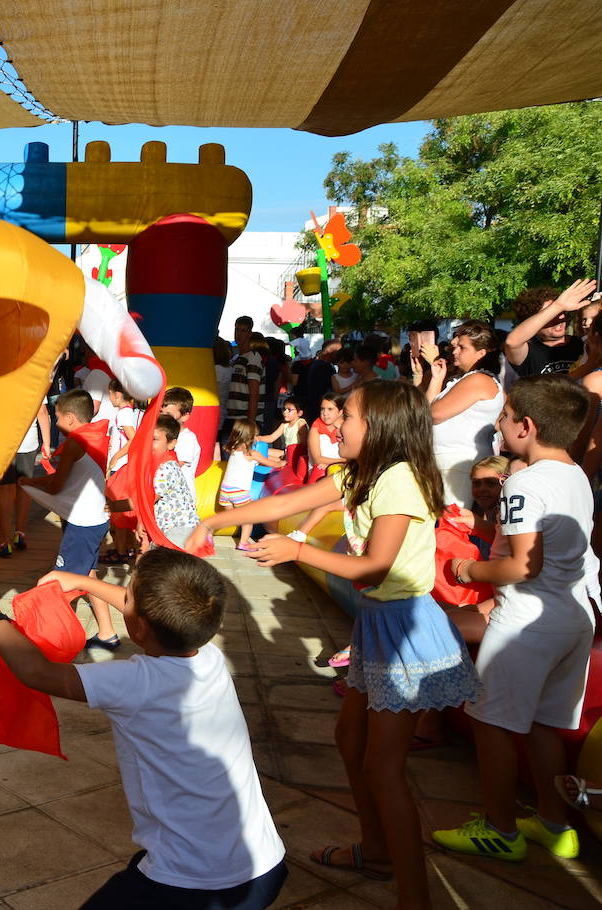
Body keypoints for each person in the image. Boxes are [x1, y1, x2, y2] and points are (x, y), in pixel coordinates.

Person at [185, 380, 480, 909]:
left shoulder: (400, 481)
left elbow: (374, 565)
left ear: (383, 426)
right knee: (350, 741)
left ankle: (415, 896)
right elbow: (293, 499)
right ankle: (376, 851)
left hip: (406, 631)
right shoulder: (362, 474)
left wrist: (296, 552)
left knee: (383, 768)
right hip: (378, 625)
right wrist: (212, 519)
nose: (334, 425)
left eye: (347, 416)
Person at [0, 549, 287, 908]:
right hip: (263, 863)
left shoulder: (135, 681)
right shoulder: (210, 658)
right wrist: (84, 583)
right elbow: (157, 613)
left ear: (140, 626)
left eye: (127, 595)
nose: (123, 598)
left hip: (193, 883)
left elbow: (38, 673)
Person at [434, 375, 595, 862]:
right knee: (545, 726)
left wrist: (467, 567)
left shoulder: (524, 482)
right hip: (574, 618)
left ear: (525, 426)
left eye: (502, 419)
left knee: (493, 725)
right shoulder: (578, 475)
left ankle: (500, 829)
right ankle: (554, 823)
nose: (496, 427)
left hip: (527, 620)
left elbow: (524, 565)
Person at [18, 390, 117, 649]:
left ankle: (55, 640)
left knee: (61, 582)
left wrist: (27, 481)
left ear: (71, 418)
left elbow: (56, 486)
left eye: (58, 416)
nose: (56, 421)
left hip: (83, 524)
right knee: (90, 577)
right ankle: (107, 633)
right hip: (96, 520)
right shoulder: (97, 436)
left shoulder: (74, 443)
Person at [426, 320, 504, 509]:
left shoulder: (479, 379)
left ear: (481, 353)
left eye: (462, 347)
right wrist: (436, 379)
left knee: (453, 523)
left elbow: (433, 414)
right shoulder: (466, 378)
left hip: (460, 462)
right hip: (448, 461)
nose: (455, 351)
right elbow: (426, 412)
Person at [0, 397, 50, 558]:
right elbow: (42, 412)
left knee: (5, 490)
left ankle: (4, 541)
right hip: (28, 442)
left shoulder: (0, 378)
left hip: (3, 441)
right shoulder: (35, 376)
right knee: (24, 486)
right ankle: (20, 533)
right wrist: (47, 443)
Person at [217, 419, 285, 551]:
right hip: (239, 492)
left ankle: (208, 530)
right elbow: (274, 464)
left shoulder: (232, 448)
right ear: (251, 437)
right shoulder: (252, 453)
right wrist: (283, 464)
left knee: (228, 517)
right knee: (248, 518)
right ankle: (243, 543)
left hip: (225, 491)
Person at [504, 279, 594, 377]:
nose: (560, 317)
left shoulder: (584, 343)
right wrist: (558, 306)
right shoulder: (530, 350)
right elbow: (512, 342)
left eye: (561, 311)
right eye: (551, 315)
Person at [139, 416, 200, 550]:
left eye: (154, 439)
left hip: (179, 530)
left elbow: (148, 498)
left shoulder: (166, 468)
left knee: (167, 567)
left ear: (171, 444)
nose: (148, 444)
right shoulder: (159, 464)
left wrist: (116, 506)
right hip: (169, 529)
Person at [102, 381, 140, 564]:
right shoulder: (128, 413)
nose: (109, 398)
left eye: (110, 394)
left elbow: (133, 439)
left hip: (120, 467)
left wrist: (116, 456)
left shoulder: (123, 414)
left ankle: (121, 550)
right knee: (121, 510)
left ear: (117, 395)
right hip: (123, 465)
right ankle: (127, 548)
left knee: (117, 510)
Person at [224, 317, 262, 436]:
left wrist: (250, 421)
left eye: (243, 331)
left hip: (243, 418)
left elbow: (254, 392)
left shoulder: (253, 358)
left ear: (249, 334)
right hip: (231, 415)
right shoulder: (237, 359)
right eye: (237, 330)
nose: (239, 334)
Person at [160, 387, 200, 483]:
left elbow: (175, 466)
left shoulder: (187, 438)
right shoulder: (160, 434)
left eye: (169, 415)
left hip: (179, 496)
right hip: (163, 491)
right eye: (161, 412)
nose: (163, 418)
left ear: (184, 416)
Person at [306, 394, 345, 484]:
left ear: (340, 412)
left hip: (341, 470)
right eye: (322, 409)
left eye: (330, 409)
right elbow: (317, 459)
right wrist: (342, 462)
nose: (324, 413)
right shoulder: (315, 429)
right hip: (318, 473)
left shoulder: (346, 428)